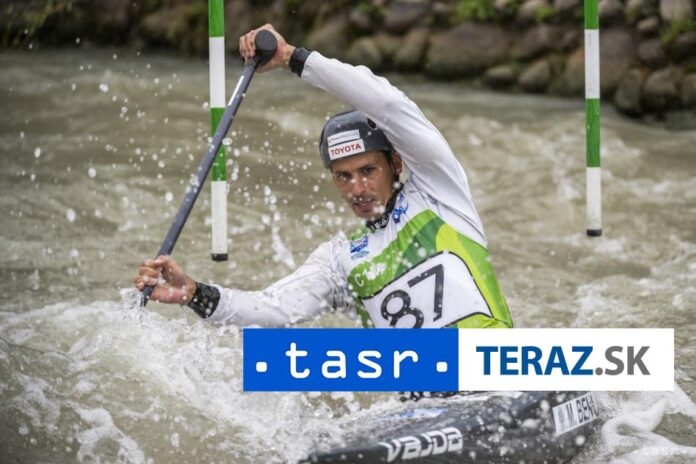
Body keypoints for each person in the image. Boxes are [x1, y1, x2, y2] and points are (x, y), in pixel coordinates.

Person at [135, 24, 512, 330]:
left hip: (499, 382)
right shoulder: (340, 260)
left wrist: (291, 57)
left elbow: (388, 105)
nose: (357, 188)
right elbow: (274, 309)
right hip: (420, 398)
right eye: (343, 176)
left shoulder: (441, 192)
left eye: (368, 171)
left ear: (396, 164)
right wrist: (193, 293)